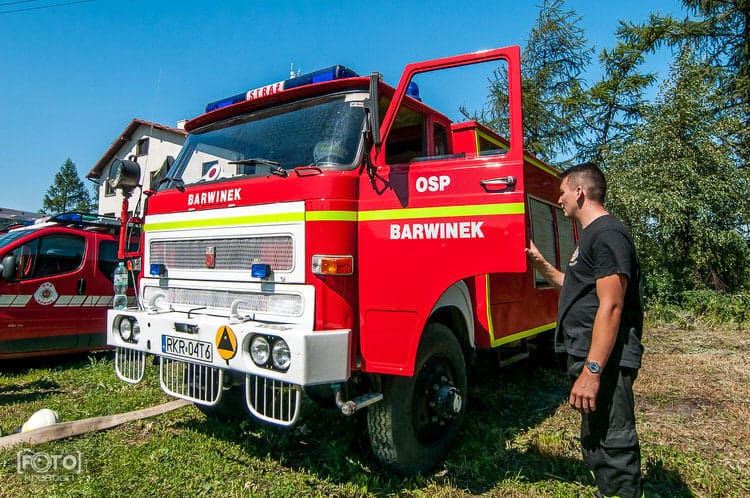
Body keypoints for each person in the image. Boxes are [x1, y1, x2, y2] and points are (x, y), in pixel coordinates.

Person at [526, 162, 644, 498]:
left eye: (562, 192)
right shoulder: (591, 237)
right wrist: (542, 265)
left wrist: (593, 371)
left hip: (606, 359)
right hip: (588, 353)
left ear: (579, 192)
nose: (559, 199)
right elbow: (575, 286)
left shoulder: (606, 234)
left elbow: (612, 305)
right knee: (596, 436)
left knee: (614, 439)